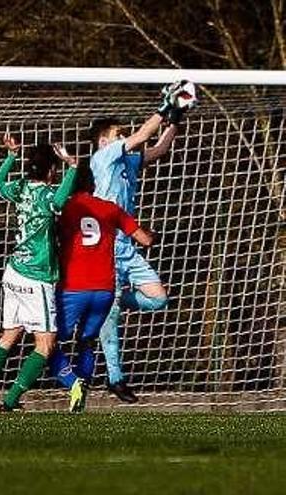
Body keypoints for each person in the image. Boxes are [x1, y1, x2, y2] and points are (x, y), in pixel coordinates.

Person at [90, 79, 196, 402]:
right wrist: (164, 105)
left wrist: (175, 118)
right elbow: (140, 136)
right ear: (104, 140)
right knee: (110, 321)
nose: (123, 135)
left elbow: (159, 148)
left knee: (158, 298)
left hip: (127, 247)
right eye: (117, 133)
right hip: (106, 248)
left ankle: (118, 301)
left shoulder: (128, 162)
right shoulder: (103, 158)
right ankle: (115, 377)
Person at [0, 134, 77, 412]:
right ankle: (11, 400)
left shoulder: (21, 187)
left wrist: (10, 157)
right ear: (51, 169)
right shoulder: (49, 195)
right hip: (36, 277)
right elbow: (61, 200)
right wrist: (73, 167)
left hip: (13, 271)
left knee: (9, 335)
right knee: (45, 344)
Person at [49, 164, 153, 412]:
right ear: (94, 185)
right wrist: (154, 233)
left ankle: (72, 382)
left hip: (74, 288)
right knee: (86, 341)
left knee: (48, 344)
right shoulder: (110, 209)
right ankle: (81, 395)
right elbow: (145, 239)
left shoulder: (65, 209)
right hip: (105, 290)